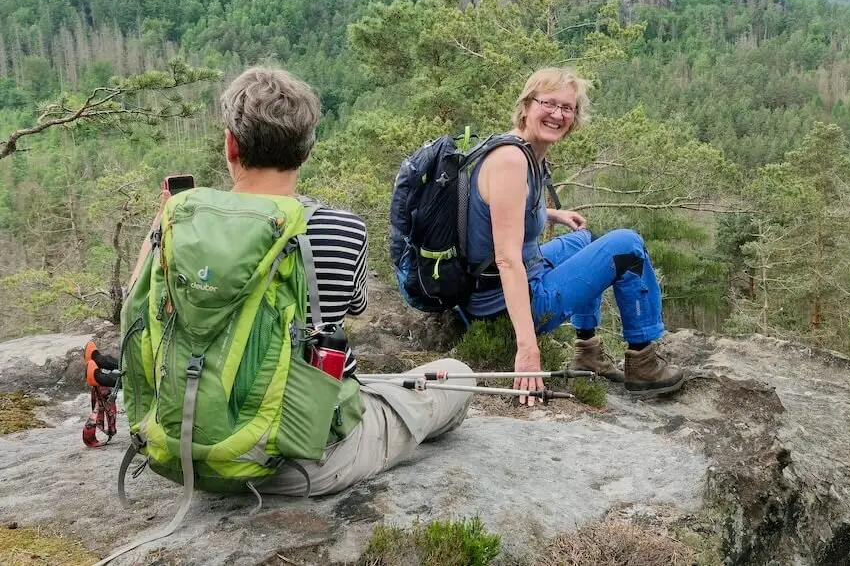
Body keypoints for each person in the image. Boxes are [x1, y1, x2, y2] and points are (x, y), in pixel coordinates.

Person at [119, 67, 476, 496]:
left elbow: (134, 310)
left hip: (181, 453)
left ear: (231, 144)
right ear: (306, 151)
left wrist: (160, 227)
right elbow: (355, 307)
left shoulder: (179, 224)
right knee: (456, 376)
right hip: (306, 462)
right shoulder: (344, 229)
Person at [465, 66, 685, 404]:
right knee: (626, 245)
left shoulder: (518, 148)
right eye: (548, 103)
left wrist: (553, 214)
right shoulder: (511, 160)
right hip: (501, 304)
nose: (558, 114)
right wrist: (528, 349)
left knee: (583, 240)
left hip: (484, 291)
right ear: (527, 105)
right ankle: (643, 363)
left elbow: (498, 210)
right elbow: (507, 260)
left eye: (567, 107)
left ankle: (587, 352)